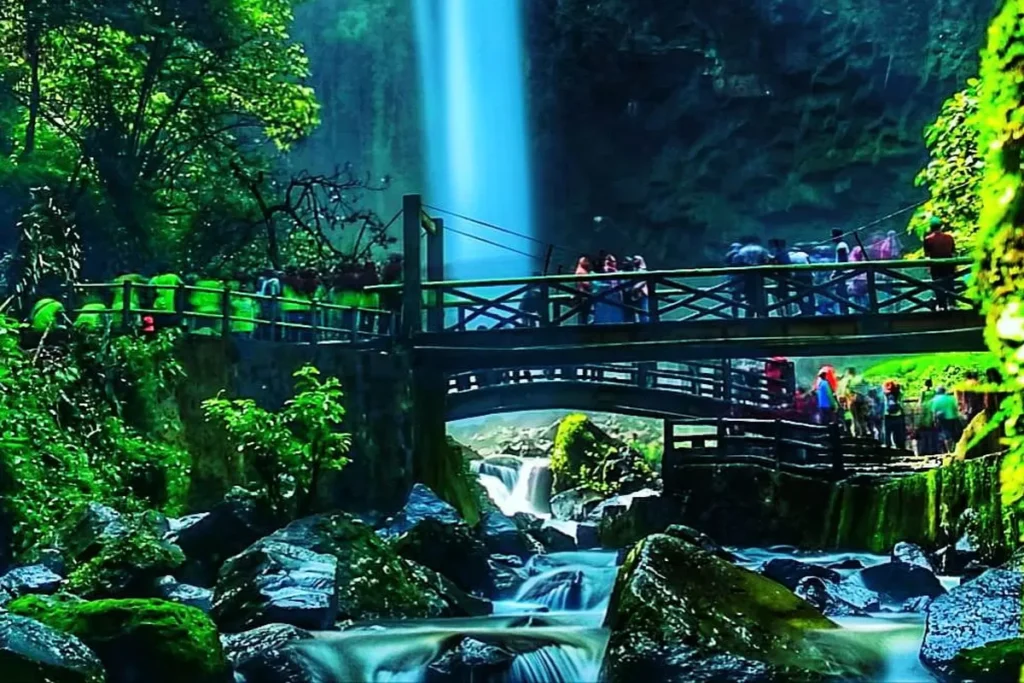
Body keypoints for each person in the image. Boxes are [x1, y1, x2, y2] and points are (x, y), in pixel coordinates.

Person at [922, 216, 957, 310]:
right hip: (949, 266)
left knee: (938, 286)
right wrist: (955, 266)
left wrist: (928, 268)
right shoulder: (949, 238)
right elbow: (953, 253)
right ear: (941, 227)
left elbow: (927, 256)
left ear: (930, 228)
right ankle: (952, 304)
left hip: (936, 267)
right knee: (950, 285)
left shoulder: (928, 239)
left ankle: (941, 306)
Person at [736, 237, 771, 317]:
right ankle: (762, 315)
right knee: (760, 296)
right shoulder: (761, 249)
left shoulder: (742, 250)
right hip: (759, 275)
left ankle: (749, 315)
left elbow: (737, 262)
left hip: (747, 276)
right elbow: (767, 259)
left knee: (749, 297)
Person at [593, 254, 624, 324]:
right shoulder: (602, 271)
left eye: (614, 261)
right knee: (604, 315)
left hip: (616, 296)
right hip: (605, 297)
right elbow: (597, 284)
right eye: (612, 261)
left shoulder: (616, 271)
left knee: (616, 314)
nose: (614, 263)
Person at [839, 367, 869, 437]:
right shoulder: (860, 379)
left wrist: (847, 399)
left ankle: (857, 434)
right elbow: (866, 390)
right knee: (861, 418)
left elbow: (844, 392)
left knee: (854, 418)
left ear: (848, 372)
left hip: (853, 402)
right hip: (862, 401)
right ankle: (863, 432)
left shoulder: (847, 380)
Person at [931, 386, 962, 452]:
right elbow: (956, 408)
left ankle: (949, 450)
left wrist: (934, 421)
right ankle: (955, 449)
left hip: (942, 419)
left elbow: (934, 411)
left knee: (945, 435)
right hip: (953, 418)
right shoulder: (951, 398)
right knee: (953, 434)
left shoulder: (935, 399)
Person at [788, 243, 815, 316]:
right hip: (808, 276)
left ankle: (803, 310)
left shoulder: (789, 256)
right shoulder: (804, 254)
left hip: (798, 277)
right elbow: (810, 264)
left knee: (799, 294)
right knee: (810, 293)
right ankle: (812, 310)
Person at [882, 380, 907, 450]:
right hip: (898, 414)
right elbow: (902, 404)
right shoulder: (899, 393)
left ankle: (888, 444)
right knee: (898, 432)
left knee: (887, 431)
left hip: (888, 415)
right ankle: (899, 445)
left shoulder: (885, 393)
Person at [917, 379, 938, 456]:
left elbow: (920, 401)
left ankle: (927, 426)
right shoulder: (933, 392)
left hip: (925, 407)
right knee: (931, 420)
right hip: (931, 407)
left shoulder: (923, 391)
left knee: (925, 421)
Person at [574, 256, 594, 325]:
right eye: (586, 261)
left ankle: (584, 325)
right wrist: (592, 284)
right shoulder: (581, 271)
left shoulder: (582, 270)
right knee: (584, 313)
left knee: (584, 313)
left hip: (583, 294)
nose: (588, 263)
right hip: (583, 294)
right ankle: (583, 326)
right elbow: (585, 283)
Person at [631, 255, 651, 323]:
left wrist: (636, 287)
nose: (634, 261)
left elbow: (644, 280)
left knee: (644, 309)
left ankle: (645, 323)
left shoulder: (643, 270)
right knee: (637, 310)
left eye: (635, 260)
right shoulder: (634, 270)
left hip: (643, 293)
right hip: (636, 293)